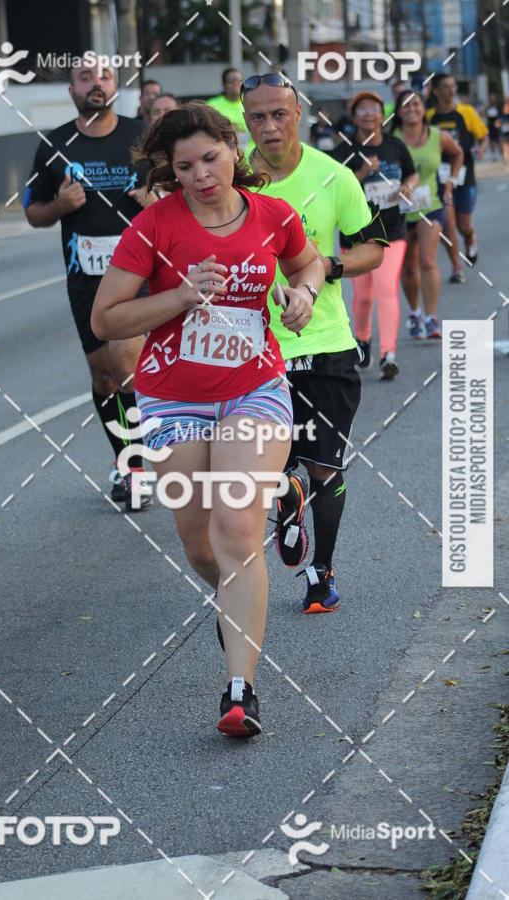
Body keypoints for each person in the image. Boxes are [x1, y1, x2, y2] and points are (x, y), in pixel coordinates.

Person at [91, 102, 324, 737]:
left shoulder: (273, 214)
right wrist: (181, 295)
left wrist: (301, 293)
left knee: (235, 528)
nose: (200, 175)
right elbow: (106, 319)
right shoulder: (154, 226)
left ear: (232, 147)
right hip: (173, 401)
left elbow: (308, 262)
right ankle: (278, 510)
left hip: (254, 388)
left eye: (211, 158)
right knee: (202, 546)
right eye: (184, 166)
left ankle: (239, 690)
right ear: (172, 171)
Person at [242, 73, 386, 613]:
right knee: (269, 469)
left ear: (297, 112)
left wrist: (330, 264)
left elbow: (374, 246)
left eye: (279, 114)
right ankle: (287, 496)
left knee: (326, 465)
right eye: (257, 117)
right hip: (257, 349)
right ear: (245, 119)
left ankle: (320, 574)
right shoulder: (235, 186)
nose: (269, 126)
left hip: (325, 342)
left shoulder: (334, 177)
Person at [23, 57, 152, 510]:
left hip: (137, 272)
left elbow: (183, 191)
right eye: (85, 78)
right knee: (103, 376)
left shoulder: (142, 137)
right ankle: (126, 463)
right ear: (72, 90)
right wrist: (59, 205)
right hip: (85, 278)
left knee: (126, 365)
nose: (97, 84)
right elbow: (33, 212)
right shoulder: (54, 146)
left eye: (105, 77)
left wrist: (158, 197)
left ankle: (138, 469)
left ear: (116, 86)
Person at [331, 91, 419, 380]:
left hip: (392, 230)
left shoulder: (395, 145)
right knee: (364, 296)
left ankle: (388, 354)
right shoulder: (344, 151)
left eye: (375, 109)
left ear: (383, 115)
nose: (369, 114)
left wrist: (408, 186)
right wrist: (362, 172)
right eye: (363, 110)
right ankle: (364, 340)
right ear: (354, 116)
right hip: (356, 234)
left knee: (386, 288)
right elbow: (334, 190)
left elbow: (411, 173)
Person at [393, 90, 463, 339]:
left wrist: (450, 182)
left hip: (431, 206)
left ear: (424, 108)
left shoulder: (438, 136)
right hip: (400, 210)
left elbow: (458, 153)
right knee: (408, 267)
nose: (411, 108)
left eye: (416, 104)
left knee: (427, 260)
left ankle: (431, 318)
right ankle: (414, 313)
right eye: (406, 105)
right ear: (399, 111)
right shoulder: (392, 139)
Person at [427, 73, 489, 282]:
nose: (451, 91)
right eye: (446, 87)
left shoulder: (466, 112)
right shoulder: (429, 117)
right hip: (441, 177)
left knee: (463, 225)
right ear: (436, 91)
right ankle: (456, 267)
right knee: (448, 222)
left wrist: (481, 149)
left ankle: (470, 238)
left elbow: (484, 135)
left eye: (453, 86)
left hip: (464, 174)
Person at [207, 68, 250, 148]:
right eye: (231, 81)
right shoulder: (211, 106)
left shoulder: (251, 103)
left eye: (239, 80)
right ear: (224, 85)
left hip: (251, 158)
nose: (236, 83)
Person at [486, 93, 502, 160]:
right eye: (491, 98)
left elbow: (501, 116)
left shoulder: (498, 107)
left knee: (499, 139)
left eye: (493, 98)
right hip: (490, 125)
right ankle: (494, 155)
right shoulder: (488, 107)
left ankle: (502, 153)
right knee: (491, 140)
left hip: (497, 124)